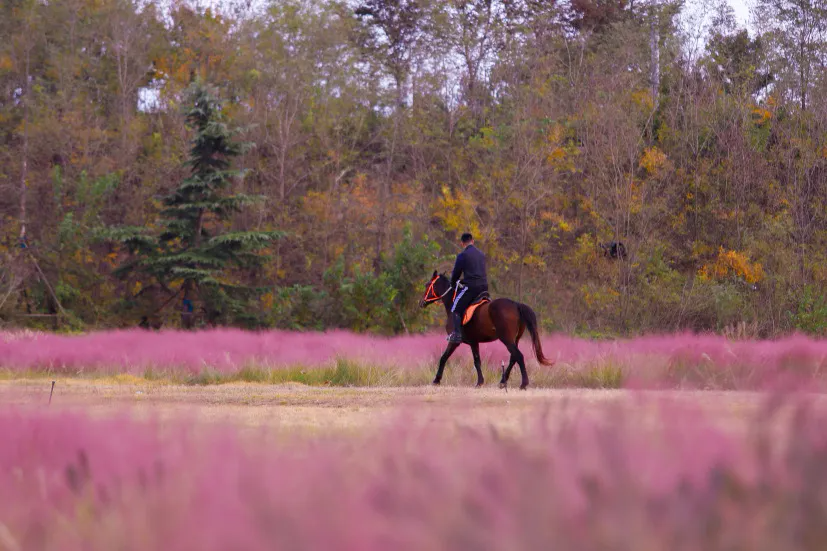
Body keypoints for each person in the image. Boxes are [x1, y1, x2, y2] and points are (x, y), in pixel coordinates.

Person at [447, 232, 488, 343]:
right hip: (484, 287)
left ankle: (457, 334)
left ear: (462, 243)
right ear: (472, 241)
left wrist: (453, 283)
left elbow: (456, 274)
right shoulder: (481, 254)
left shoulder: (462, 256)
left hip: (472, 288)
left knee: (455, 308)